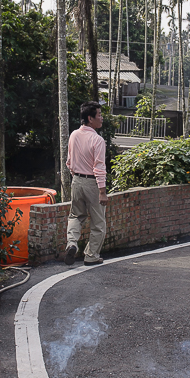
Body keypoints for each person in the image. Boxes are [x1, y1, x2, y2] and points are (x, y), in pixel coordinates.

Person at [64, 101, 108, 266]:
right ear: (90, 118)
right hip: (92, 183)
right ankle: (91, 256)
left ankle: (72, 243)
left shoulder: (73, 134)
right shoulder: (97, 140)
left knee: (76, 215)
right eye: (99, 115)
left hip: (76, 181)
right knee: (98, 222)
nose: (101, 118)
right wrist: (102, 192)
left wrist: (75, 175)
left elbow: (69, 161)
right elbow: (99, 168)